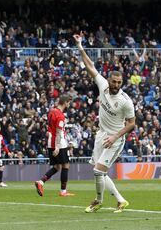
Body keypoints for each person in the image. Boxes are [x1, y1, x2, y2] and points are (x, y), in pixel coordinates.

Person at [74, 33, 136, 213]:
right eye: (114, 81)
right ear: (109, 80)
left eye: (119, 82)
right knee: (99, 171)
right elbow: (89, 65)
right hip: (101, 134)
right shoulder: (102, 85)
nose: (116, 84)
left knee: (97, 172)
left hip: (115, 138)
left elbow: (132, 123)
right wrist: (79, 45)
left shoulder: (126, 101)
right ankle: (120, 200)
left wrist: (116, 136)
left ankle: (98, 201)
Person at [35, 95, 75, 197]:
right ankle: (63, 191)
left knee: (57, 166)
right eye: (69, 102)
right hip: (59, 143)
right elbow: (58, 132)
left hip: (50, 141)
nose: (69, 104)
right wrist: (57, 147)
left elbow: (50, 127)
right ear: (65, 102)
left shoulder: (52, 111)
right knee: (65, 165)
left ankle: (41, 182)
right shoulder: (60, 116)